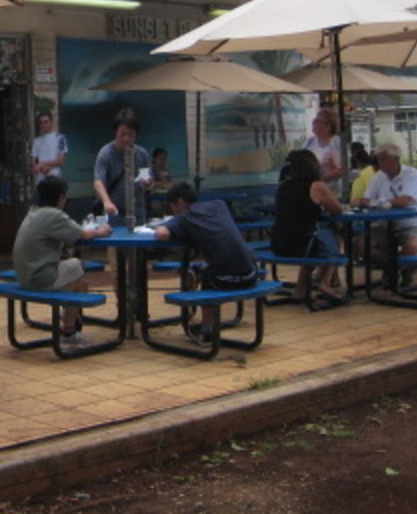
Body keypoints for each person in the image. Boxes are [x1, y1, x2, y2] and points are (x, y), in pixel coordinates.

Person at [12, 175, 112, 351]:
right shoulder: (53, 215)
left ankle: (69, 329)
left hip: (24, 276)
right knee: (77, 265)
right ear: (60, 198)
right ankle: (69, 330)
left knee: (80, 284)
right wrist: (102, 231)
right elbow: (84, 234)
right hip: (39, 278)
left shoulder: (33, 211)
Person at [153, 182, 260, 343]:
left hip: (228, 279)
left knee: (209, 276)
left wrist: (162, 225)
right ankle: (197, 280)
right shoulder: (219, 205)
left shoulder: (184, 219)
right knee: (209, 267)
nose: (173, 212)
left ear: (180, 202)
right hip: (251, 274)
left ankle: (206, 328)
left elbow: (162, 234)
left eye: (172, 207)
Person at [272, 149, 347, 300]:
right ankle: (326, 282)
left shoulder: (283, 186)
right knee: (331, 233)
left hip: (280, 243)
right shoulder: (316, 186)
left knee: (313, 238)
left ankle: (301, 288)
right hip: (304, 244)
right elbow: (337, 209)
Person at [357, 143, 417, 271]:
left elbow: (405, 200)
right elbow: (366, 200)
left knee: (411, 246)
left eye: (384, 159)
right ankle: (395, 266)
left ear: (396, 159)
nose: (381, 163)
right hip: (385, 226)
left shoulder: (411, 174)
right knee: (361, 245)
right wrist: (362, 202)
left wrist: (377, 203)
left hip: (414, 224)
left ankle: (401, 273)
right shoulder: (378, 177)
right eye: (378, 159)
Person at [93, 110, 153, 224]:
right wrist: (106, 202)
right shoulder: (106, 153)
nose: (126, 138)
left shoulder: (142, 154)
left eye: (131, 134)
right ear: (115, 133)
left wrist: (147, 183)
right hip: (114, 212)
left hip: (138, 213)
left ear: (136, 134)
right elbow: (98, 181)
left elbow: (150, 180)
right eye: (123, 134)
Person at [305, 108, 343, 182]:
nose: (313, 123)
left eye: (317, 121)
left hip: (332, 186)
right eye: (314, 120)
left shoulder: (337, 143)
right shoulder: (310, 141)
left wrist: (323, 175)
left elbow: (343, 170)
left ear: (328, 126)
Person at [30, 111, 67, 188]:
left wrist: (42, 164)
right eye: (40, 122)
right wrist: (42, 168)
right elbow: (33, 164)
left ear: (51, 122)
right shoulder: (36, 141)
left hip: (56, 179)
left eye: (46, 122)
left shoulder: (60, 138)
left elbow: (60, 161)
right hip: (41, 182)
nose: (43, 124)